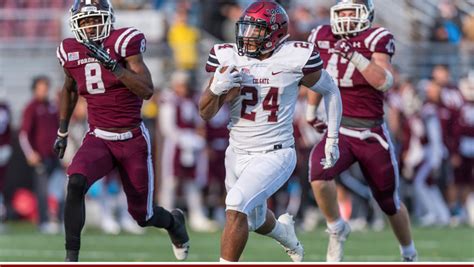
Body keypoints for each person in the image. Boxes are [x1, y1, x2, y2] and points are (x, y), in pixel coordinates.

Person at [199, 1, 342, 262]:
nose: (247, 36)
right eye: (246, 29)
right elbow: (205, 113)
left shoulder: (295, 57)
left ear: (275, 33)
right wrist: (215, 89)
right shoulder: (227, 55)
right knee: (253, 218)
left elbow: (330, 90)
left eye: (256, 31)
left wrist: (332, 138)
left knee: (235, 205)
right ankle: (284, 233)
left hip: (275, 152)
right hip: (237, 151)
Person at [53, 0, 189, 261]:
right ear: (76, 25)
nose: (90, 27)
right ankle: (71, 258)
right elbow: (69, 89)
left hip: (132, 139)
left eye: (94, 20)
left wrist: (115, 67)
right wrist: (62, 132)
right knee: (75, 182)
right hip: (98, 137)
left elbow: (147, 90)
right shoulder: (69, 50)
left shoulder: (123, 42)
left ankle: (174, 222)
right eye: (84, 22)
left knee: (143, 216)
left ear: (107, 18)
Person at [306, 0, 418, 261]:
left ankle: (409, 252)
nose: (345, 18)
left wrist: (354, 55)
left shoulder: (377, 37)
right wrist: (311, 112)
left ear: (366, 15)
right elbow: (316, 78)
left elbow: (384, 82)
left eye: (351, 12)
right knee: (318, 175)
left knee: (388, 201)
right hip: (339, 130)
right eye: (341, 12)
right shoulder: (321, 36)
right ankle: (336, 228)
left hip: (371, 133)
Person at [19, 76, 63, 234]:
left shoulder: (52, 107)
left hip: (54, 156)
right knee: (42, 190)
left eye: (46, 88)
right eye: (41, 88)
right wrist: (30, 154)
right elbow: (23, 134)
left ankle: (59, 219)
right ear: (35, 89)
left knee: (59, 190)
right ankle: (43, 221)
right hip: (41, 157)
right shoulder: (31, 107)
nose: (44, 91)